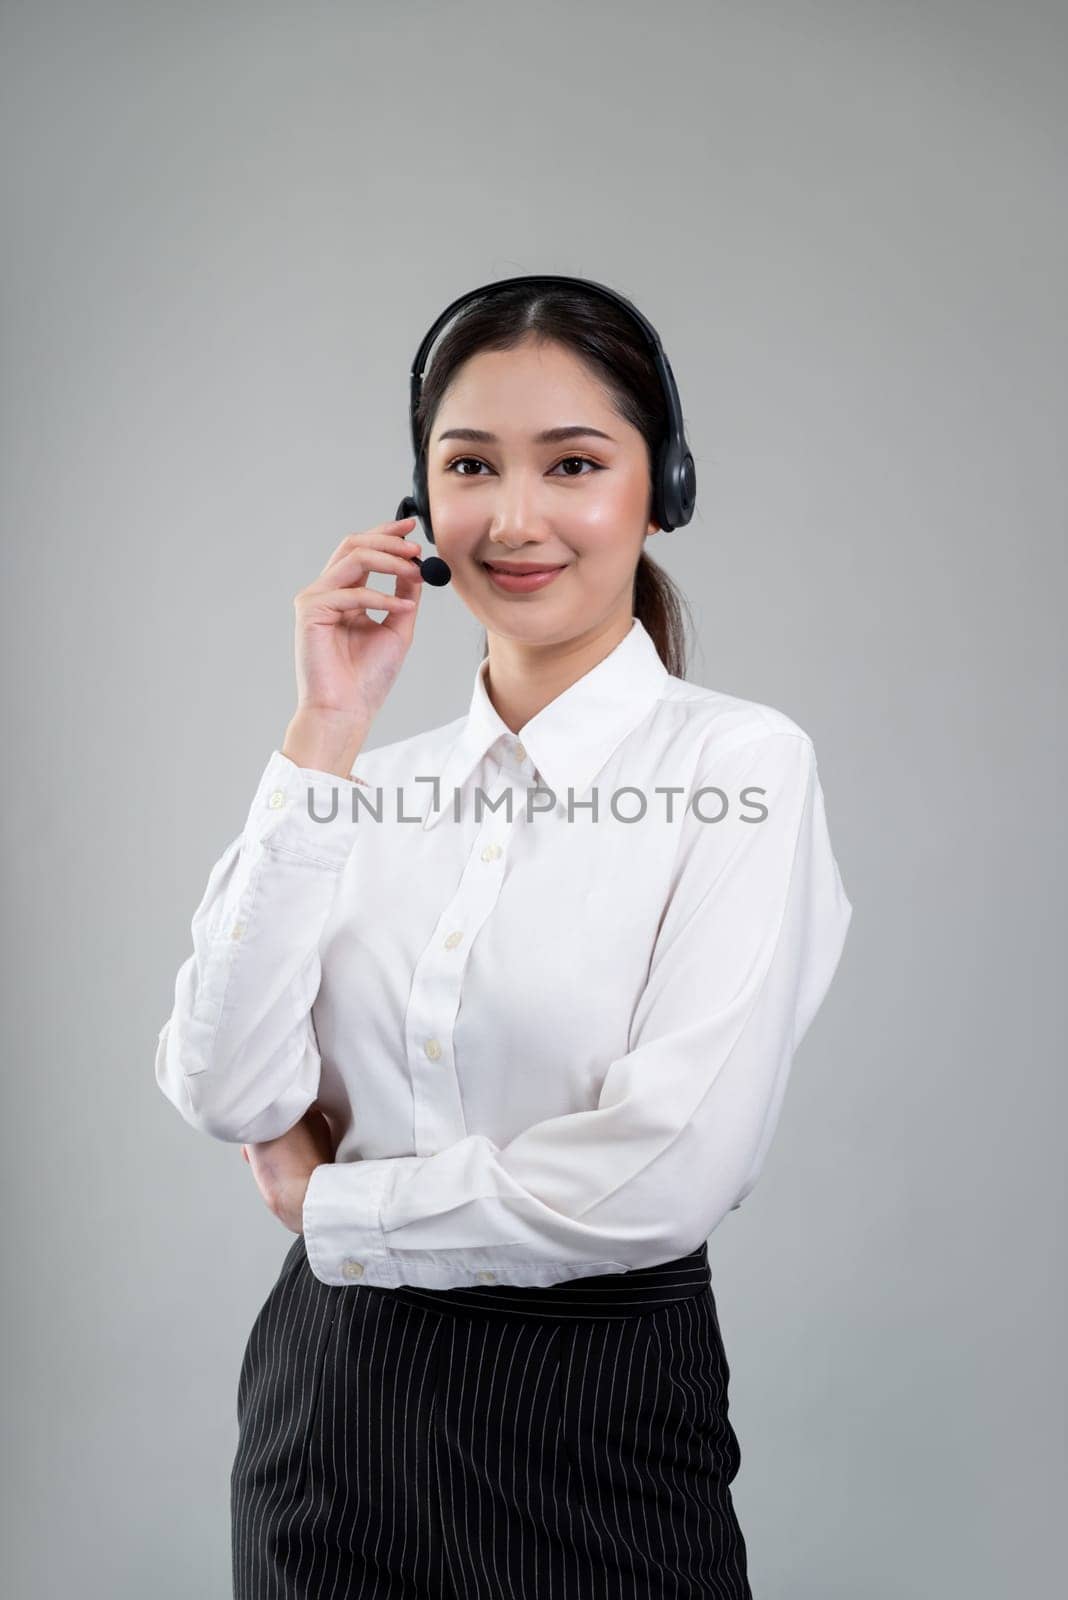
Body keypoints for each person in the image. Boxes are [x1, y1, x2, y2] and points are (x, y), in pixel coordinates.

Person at [155, 278, 853, 1599]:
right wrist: (324, 733)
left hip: (592, 1429)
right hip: (327, 1426)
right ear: (420, 503)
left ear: (664, 489)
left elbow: (659, 1176)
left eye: (573, 464)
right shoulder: (365, 782)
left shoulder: (743, 766)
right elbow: (224, 1084)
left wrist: (337, 1202)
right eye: (470, 465)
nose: (516, 519)